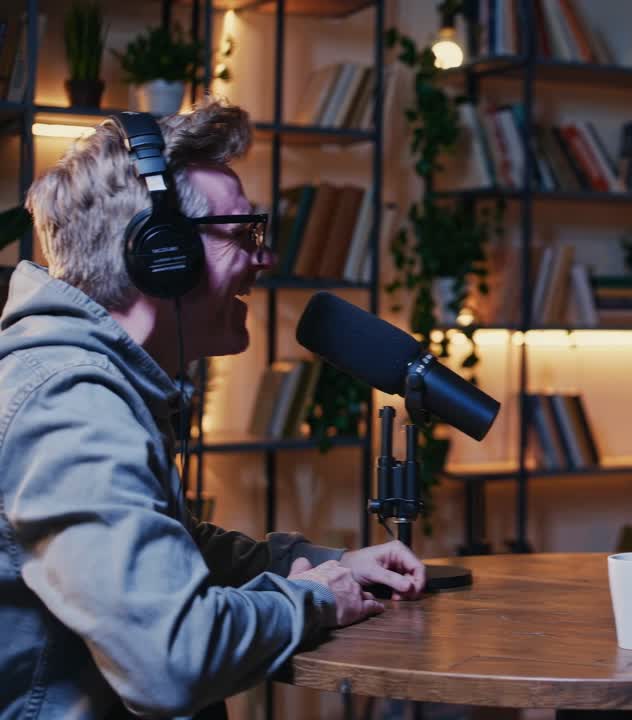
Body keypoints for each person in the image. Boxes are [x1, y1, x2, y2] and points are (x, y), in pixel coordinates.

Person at [0, 99, 426, 719]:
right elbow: (169, 661)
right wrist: (310, 599)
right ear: (161, 254)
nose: (265, 258)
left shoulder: (91, 382)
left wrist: (326, 567)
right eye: (246, 234)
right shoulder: (70, 403)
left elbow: (162, 545)